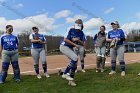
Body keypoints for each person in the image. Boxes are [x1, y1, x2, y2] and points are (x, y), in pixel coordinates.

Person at [60, 19, 86, 86]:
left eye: (79, 28)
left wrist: (78, 40)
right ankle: (65, 73)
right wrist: (74, 44)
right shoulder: (70, 29)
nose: (77, 30)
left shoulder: (81, 33)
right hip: (64, 46)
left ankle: (71, 80)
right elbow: (65, 39)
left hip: (71, 47)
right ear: (74, 25)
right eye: (76, 28)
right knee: (75, 57)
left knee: (74, 64)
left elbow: (83, 43)